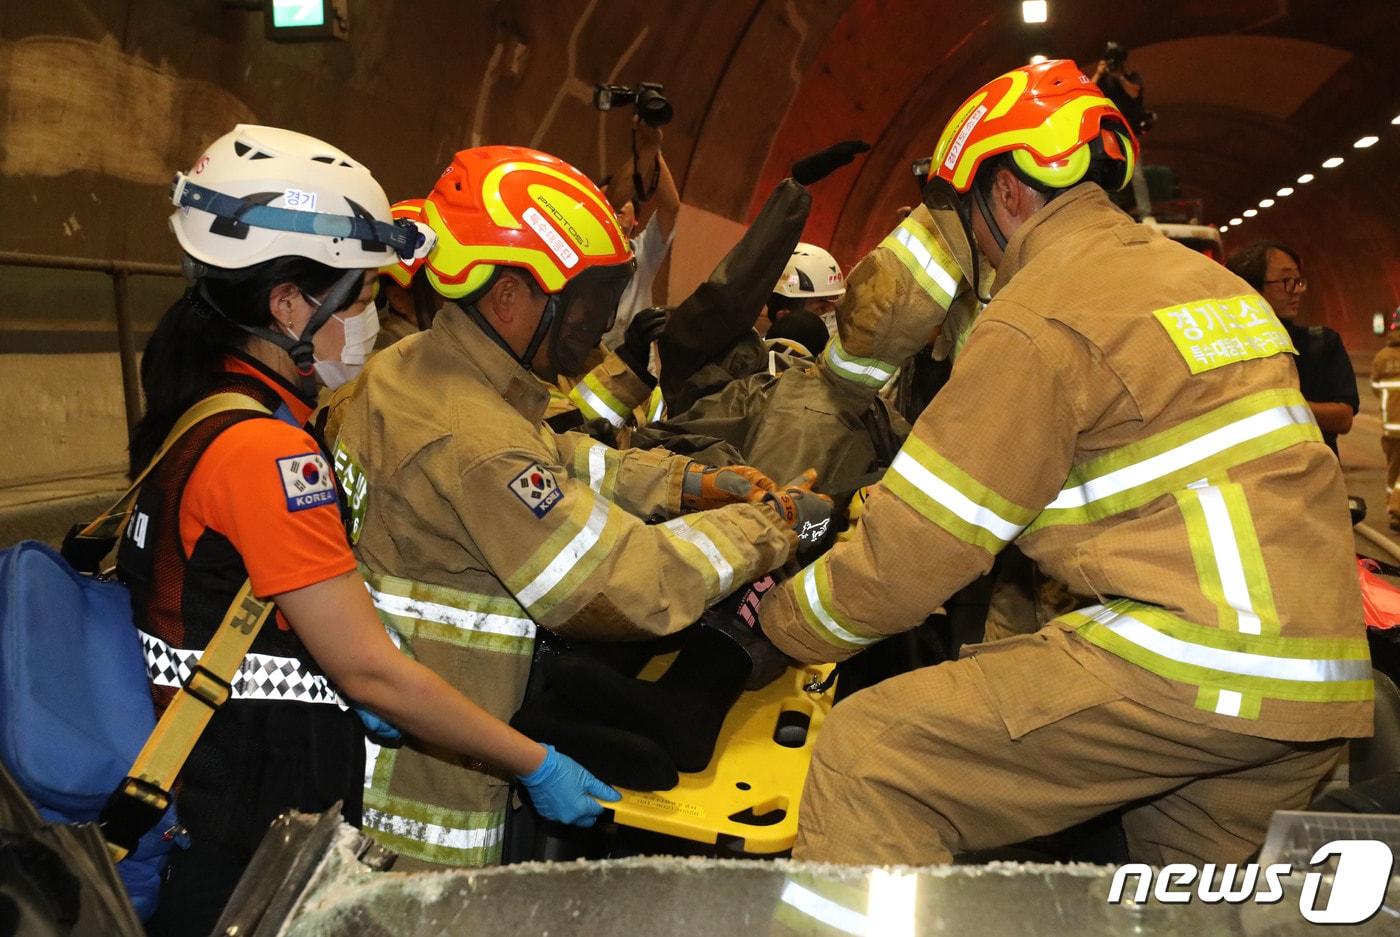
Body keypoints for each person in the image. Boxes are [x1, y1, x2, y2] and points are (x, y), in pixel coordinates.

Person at [755, 60, 1372, 866]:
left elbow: (919, 550)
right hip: (1317, 681)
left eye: (961, 208)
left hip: (1193, 664)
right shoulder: (1210, 286)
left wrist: (779, 625)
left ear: (1007, 190)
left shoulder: (1037, 314)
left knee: (874, 757)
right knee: (1180, 896)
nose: (967, 239)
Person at [123, 126, 619, 933]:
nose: (368, 318)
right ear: (287, 304)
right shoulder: (269, 452)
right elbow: (375, 675)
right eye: (354, 298)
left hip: (201, 803)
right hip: (242, 835)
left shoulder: (201, 407)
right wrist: (536, 763)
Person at [327, 145, 829, 870]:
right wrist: (769, 525)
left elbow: (564, 459)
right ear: (509, 296)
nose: (598, 328)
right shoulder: (474, 441)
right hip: (433, 803)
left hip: (425, 730)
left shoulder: (421, 371)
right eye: (589, 303)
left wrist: (692, 483)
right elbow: (626, 583)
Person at [1227, 240, 1358, 454]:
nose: (1297, 290)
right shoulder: (1227, 348)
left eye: (1298, 281)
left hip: (1317, 476)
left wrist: (1277, 407)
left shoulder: (1321, 343)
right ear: (1250, 287)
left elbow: (1343, 418)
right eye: (1287, 281)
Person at [600, 116, 680, 349]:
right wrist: (645, 150)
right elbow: (611, 200)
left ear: (634, 221)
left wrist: (653, 148)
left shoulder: (643, 254)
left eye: (621, 214)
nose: (614, 217)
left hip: (636, 371)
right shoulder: (584, 253)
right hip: (591, 368)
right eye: (609, 212)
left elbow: (670, 207)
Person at [760, 243, 846, 338]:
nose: (833, 314)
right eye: (821, 308)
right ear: (785, 318)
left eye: (835, 304)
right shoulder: (757, 352)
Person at [1371, 308, 1400, 530]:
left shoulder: (1382, 357)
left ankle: (1393, 508)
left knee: (1393, 468)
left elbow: (1376, 388)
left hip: (1390, 427)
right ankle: (1396, 509)